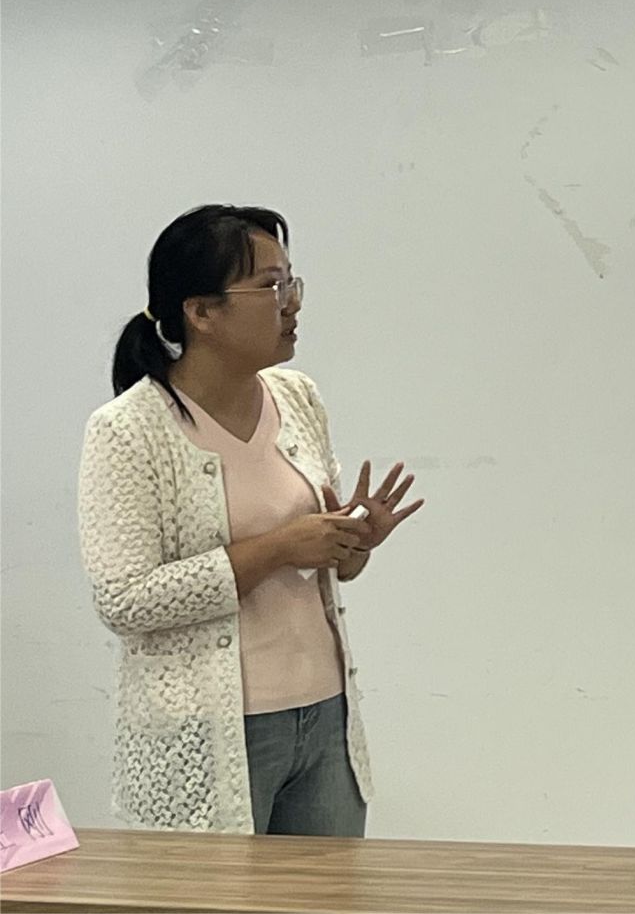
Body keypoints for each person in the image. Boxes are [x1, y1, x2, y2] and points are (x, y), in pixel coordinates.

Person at [76, 205, 423, 835]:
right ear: (200, 312)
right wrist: (280, 547)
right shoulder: (128, 430)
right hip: (204, 733)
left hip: (325, 718)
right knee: (210, 890)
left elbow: (327, 565)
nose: (292, 303)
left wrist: (351, 542)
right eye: (270, 286)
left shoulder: (298, 396)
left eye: (292, 282)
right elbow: (124, 601)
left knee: (328, 890)